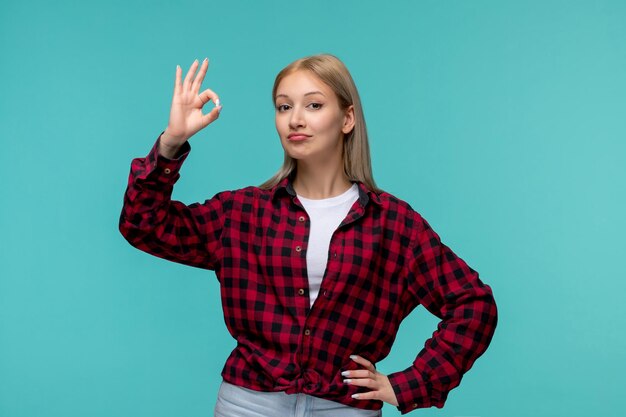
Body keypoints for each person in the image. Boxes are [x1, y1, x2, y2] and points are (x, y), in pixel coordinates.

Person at [119, 54, 497, 416]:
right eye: (284, 107)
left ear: (347, 118)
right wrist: (170, 143)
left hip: (344, 409)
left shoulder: (393, 223)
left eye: (313, 105)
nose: (295, 120)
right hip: (247, 405)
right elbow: (143, 225)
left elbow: (473, 303)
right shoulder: (243, 212)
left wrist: (410, 384)